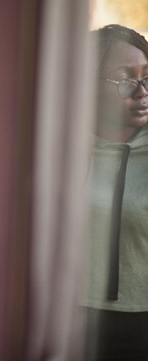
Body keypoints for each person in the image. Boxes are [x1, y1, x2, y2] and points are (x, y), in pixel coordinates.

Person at [83, 24, 148, 361]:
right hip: (67, 318)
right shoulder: (59, 150)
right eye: (125, 80)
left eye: (147, 78)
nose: (141, 92)